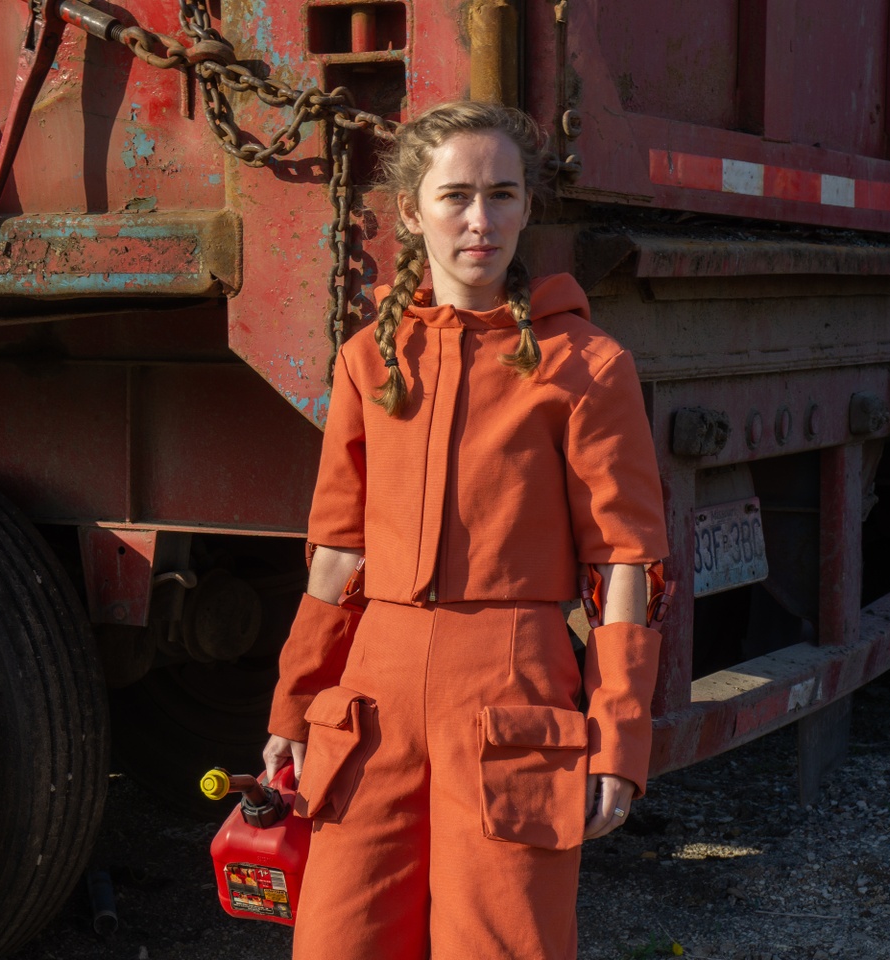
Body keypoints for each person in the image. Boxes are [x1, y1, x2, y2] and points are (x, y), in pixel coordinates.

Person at [261, 100, 668, 960]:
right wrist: (295, 705)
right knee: (339, 942)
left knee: (502, 946)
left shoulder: (587, 366)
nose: (481, 221)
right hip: (372, 698)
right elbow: (336, 556)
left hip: (514, 691)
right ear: (410, 211)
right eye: (455, 196)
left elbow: (625, 566)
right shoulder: (368, 359)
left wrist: (619, 737)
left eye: (503, 195)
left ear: (527, 207)